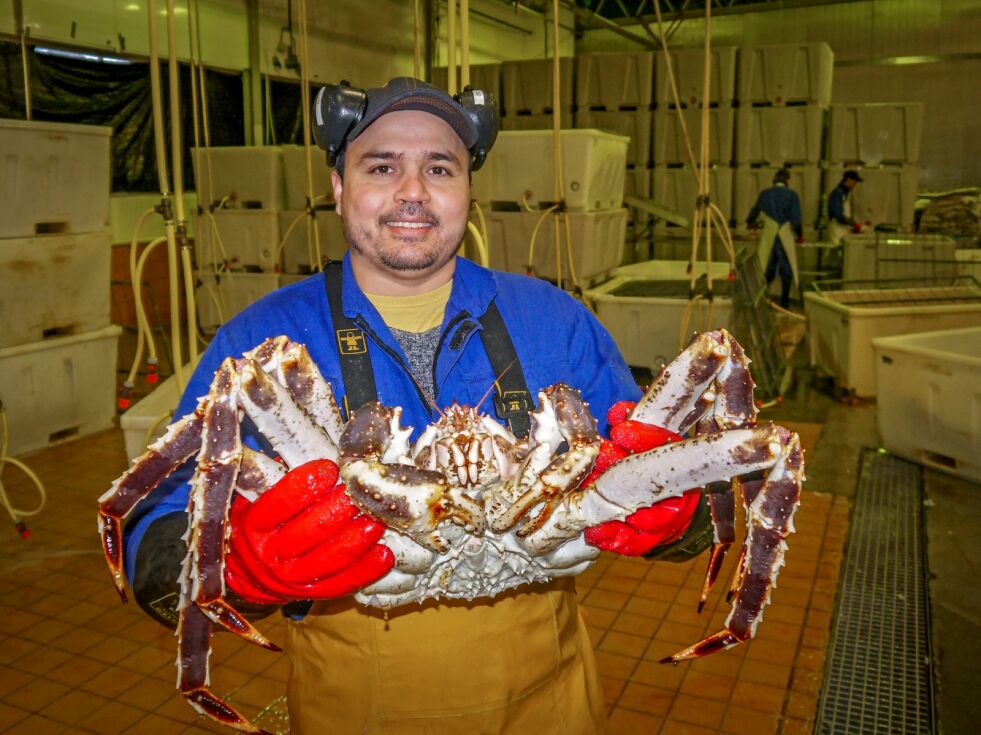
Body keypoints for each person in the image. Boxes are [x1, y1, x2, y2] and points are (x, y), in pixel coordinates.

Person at [122, 77, 712, 735]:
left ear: (467, 191)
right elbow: (153, 520)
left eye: (439, 167)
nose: (412, 191)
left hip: (547, 704)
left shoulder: (555, 321)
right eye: (381, 166)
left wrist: (684, 517)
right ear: (339, 186)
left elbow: (667, 467)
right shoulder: (262, 349)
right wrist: (233, 569)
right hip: (355, 706)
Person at [746, 168, 804, 308]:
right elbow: (796, 219)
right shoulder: (792, 195)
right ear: (787, 180)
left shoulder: (765, 194)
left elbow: (754, 213)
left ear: (775, 179)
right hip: (785, 233)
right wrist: (800, 234)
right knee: (786, 268)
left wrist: (750, 222)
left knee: (767, 266)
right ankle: (784, 301)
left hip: (769, 233)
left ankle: (761, 298)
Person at [827, 169, 864, 244]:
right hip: (837, 230)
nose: (855, 184)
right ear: (849, 179)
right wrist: (853, 223)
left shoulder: (844, 194)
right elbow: (838, 215)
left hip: (843, 230)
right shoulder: (838, 193)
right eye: (855, 181)